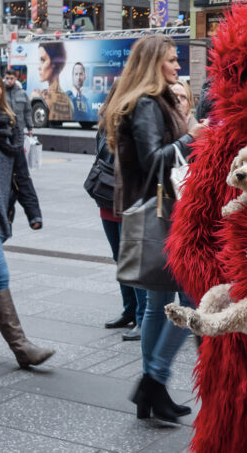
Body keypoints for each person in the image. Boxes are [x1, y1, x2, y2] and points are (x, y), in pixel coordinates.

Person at [104, 34, 207, 422]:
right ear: (152, 65)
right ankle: (154, 381)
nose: (178, 66)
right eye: (170, 61)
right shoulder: (147, 103)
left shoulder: (147, 100)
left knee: (157, 305)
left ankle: (152, 392)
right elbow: (153, 160)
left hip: (160, 211)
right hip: (164, 214)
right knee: (195, 299)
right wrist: (191, 138)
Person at [0, 67, 55, 368]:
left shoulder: (10, 125)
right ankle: (22, 347)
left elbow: (21, 175)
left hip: (1, 210)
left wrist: (33, 212)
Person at [89, 81, 147, 340]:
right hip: (107, 198)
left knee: (133, 261)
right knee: (119, 259)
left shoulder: (137, 122)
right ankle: (130, 311)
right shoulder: (104, 123)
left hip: (128, 200)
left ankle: (144, 317)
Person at [30, 42, 73, 122]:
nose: (39, 67)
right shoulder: (67, 100)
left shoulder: (39, 95)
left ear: (54, 63)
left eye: (43, 60)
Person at [3, 69, 33, 135]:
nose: (9, 81)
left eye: (11, 78)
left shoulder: (22, 93)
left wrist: (30, 128)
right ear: (4, 78)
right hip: (4, 128)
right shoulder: (0, 93)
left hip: (19, 129)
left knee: (19, 145)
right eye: (7, 78)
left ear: (16, 79)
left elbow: (27, 111)